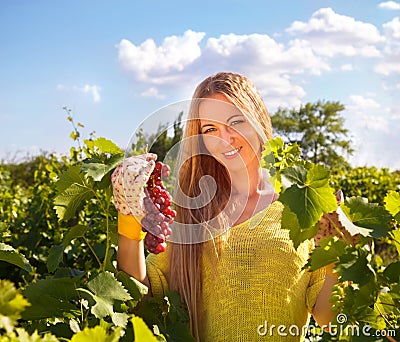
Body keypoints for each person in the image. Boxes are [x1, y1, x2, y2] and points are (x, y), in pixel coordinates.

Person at [113, 72, 338, 341]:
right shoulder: (192, 215)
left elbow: (328, 318)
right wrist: (128, 215)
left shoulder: (302, 209)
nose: (224, 138)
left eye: (235, 122)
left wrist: (336, 249)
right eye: (210, 129)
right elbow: (138, 299)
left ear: (257, 120)